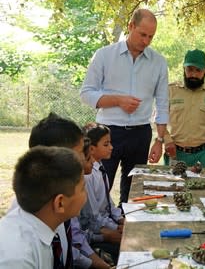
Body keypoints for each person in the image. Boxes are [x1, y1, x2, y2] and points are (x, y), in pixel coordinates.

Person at [80, 8, 169, 204]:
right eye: (142, 34)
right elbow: (86, 94)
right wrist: (118, 100)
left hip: (141, 134)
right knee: (99, 186)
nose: (146, 41)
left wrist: (159, 140)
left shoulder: (159, 63)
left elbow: (163, 104)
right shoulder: (104, 55)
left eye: (151, 37)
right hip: (107, 134)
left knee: (133, 192)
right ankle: (97, 231)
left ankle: (126, 230)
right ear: (130, 26)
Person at [26, 112, 111, 269]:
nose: (88, 157)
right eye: (81, 152)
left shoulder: (56, 208)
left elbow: (75, 241)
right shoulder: (22, 250)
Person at [0, 146, 86, 268]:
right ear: (60, 203)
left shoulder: (43, 224)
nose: (85, 193)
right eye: (83, 188)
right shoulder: (18, 259)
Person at [163, 49, 205, 167]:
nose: (193, 74)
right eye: (190, 69)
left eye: (198, 70)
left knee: (203, 186)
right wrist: (167, 140)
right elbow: (159, 118)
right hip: (175, 153)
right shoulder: (171, 90)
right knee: (173, 185)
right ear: (184, 69)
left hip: (203, 156)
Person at [81, 123, 123, 264]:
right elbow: (93, 218)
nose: (111, 147)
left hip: (106, 224)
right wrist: (116, 228)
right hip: (97, 232)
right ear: (91, 149)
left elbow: (108, 202)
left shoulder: (99, 166)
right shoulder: (88, 175)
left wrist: (121, 220)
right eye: (106, 144)